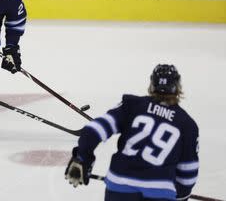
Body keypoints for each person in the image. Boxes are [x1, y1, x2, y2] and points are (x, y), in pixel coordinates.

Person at [65, 64, 199, 201]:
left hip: (119, 189)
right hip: (160, 193)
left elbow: (92, 131)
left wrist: (82, 158)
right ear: (177, 88)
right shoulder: (187, 124)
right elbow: (188, 174)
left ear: (152, 85)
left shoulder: (132, 105)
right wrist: (181, 196)